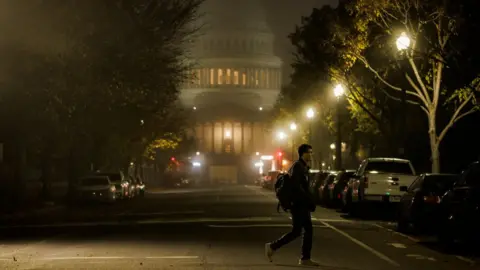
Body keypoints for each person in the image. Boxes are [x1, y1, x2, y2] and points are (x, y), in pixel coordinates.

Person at [265, 144, 319, 266]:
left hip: (301, 204)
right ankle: (273, 247)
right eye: (308, 152)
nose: (310, 154)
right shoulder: (298, 166)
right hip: (298, 204)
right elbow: (297, 186)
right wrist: (307, 199)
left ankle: (304, 258)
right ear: (302, 153)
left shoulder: (303, 166)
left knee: (304, 230)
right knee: (298, 231)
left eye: (311, 152)